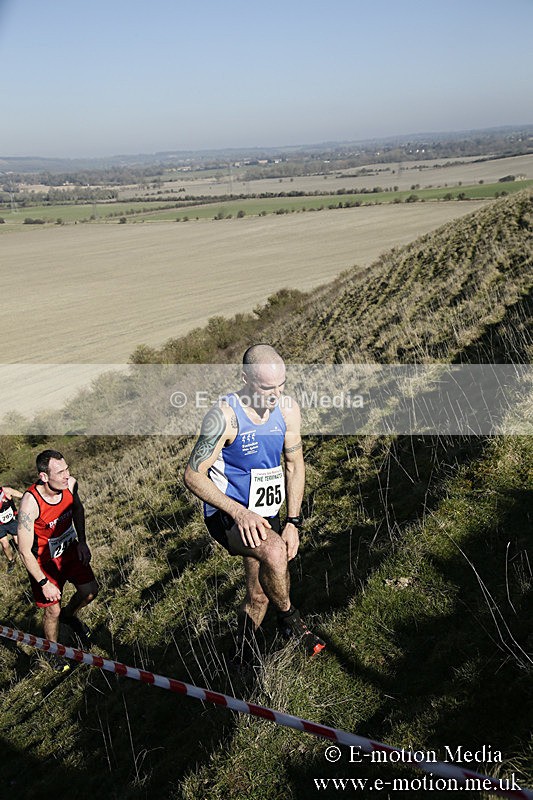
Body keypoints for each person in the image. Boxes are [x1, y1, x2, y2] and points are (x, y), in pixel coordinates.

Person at [184, 344, 325, 667]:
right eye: (266, 388)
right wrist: (239, 512)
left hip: (266, 511)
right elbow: (193, 475)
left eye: (281, 385)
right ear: (245, 378)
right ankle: (292, 623)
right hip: (228, 514)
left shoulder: (287, 410)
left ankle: (240, 656)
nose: (275, 395)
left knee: (260, 592)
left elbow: (294, 464)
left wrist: (293, 521)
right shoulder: (224, 417)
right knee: (275, 552)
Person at [17, 450, 98, 671]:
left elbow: (78, 509)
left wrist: (82, 541)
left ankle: (70, 616)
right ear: (44, 476)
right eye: (60, 471)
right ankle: (52, 650)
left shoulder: (71, 485)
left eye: (67, 468)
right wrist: (44, 583)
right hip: (43, 562)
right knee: (52, 610)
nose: (66, 475)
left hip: (70, 551)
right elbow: (24, 551)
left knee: (90, 591)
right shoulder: (30, 503)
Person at [0, 485, 23, 574]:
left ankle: (25, 557)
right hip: (1, 525)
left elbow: (24, 496)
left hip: (12, 521)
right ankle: (11, 561)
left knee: (18, 542)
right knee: (5, 545)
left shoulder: (6, 491)